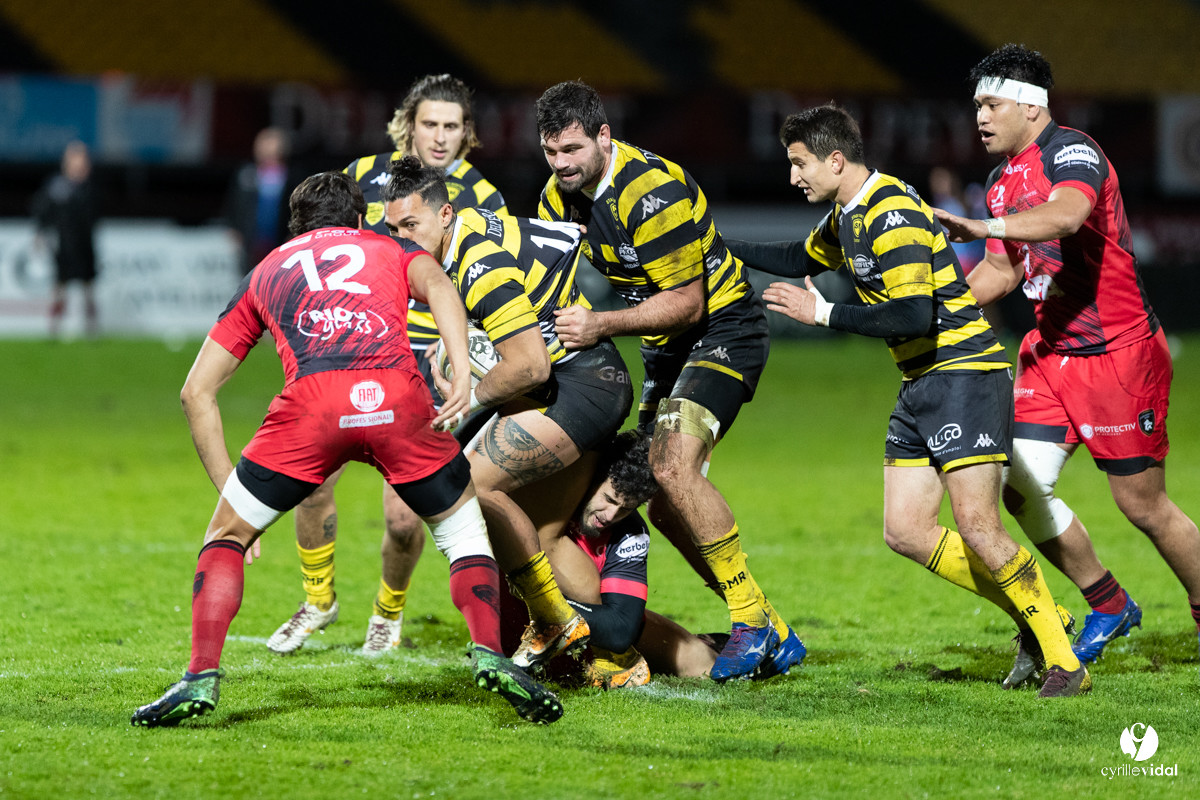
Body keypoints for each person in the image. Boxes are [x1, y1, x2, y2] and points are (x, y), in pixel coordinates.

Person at [130, 171, 562, 727]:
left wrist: (229, 492)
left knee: (225, 540)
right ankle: (490, 652)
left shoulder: (269, 268)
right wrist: (457, 372)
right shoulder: (391, 246)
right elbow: (441, 287)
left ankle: (199, 676)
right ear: (360, 219)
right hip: (399, 401)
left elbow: (196, 392)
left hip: (311, 409)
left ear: (294, 229)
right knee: (461, 532)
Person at [732, 104, 1089, 697]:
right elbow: (799, 259)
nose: (793, 176)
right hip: (921, 381)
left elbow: (913, 314)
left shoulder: (891, 210)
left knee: (977, 524)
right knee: (905, 530)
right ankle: (1039, 617)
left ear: (836, 160)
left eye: (800, 164)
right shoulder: (847, 215)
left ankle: (1065, 662)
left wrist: (822, 313)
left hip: (963, 372)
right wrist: (716, 244)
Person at [934, 43, 1200, 679]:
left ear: (1030, 106)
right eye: (976, 105)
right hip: (1051, 355)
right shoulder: (1002, 179)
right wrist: (935, 312)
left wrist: (985, 228)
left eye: (990, 103)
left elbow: (1067, 215)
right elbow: (1001, 272)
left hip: (1118, 355)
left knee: (1143, 507)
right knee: (1015, 484)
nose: (980, 116)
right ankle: (1107, 603)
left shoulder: (1071, 152)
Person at [534, 80, 799, 682]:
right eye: (551, 153)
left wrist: (598, 323)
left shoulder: (651, 191)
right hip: (665, 350)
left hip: (723, 331)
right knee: (664, 505)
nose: (562, 165)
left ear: (604, 135)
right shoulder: (557, 197)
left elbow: (686, 303)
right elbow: (547, 282)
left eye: (573, 149)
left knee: (673, 465)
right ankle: (772, 630)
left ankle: (751, 623)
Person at [269, 75, 508, 657]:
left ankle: (387, 613)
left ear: (467, 134)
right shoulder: (361, 178)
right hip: (350, 348)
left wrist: (466, 357)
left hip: (425, 364)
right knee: (312, 480)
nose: (441, 137)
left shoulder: (485, 197)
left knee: (404, 517)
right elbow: (320, 253)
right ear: (408, 125)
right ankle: (319, 599)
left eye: (453, 126)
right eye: (431, 123)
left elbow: (494, 287)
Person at [381, 155, 634, 670]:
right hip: (582, 378)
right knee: (544, 537)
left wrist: (465, 399)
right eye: (392, 229)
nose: (401, 241)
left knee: (469, 486)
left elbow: (530, 366)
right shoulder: (466, 235)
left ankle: (554, 623)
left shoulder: (478, 267)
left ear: (445, 215)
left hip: (577, 387)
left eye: (412, 226)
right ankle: (619, 657)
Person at [506, 429, 789, 687]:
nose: (610, 516)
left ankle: (728, 648)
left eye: (625, 509)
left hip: (579, 632)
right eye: (609, 498)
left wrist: (549, 607)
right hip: (534, 621)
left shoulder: (629, 534)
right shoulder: (552, 496)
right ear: (591, 478)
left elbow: (620, 629)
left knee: (699, 662)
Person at [32, 141, 98, 338]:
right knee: (60, 287)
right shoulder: (56, 187)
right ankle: (54, 327)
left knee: (88, 287)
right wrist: (39, 233)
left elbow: (95, 213)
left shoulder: (89, 188)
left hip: (85, 244)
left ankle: (91, 328)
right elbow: (42, 211)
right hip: (64, 244)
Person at [223, 127, 294, 276]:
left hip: (279, 242)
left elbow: (295, 208)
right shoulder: (246, 174)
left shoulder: (292, 177)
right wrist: (233, 229)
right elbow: (234, 204)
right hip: (251, 242)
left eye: (274, 154)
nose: (270, 157)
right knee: (249, 282)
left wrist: (292, 234)